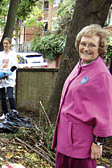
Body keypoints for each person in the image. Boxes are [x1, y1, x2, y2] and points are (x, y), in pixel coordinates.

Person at [51, 24, 112, 168]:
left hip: (81, 145)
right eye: (83, 43)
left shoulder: (101, 74)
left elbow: (106, 111)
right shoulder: (80, 65)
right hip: (65, 139)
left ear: (100, 48)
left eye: (92, 45)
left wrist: (98, 142)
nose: (86, 48)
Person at [0, 37, 18, 120]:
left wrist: (9, 73)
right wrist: (0, 73)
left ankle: (14, 112)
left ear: (10, 44)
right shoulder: (0, 54)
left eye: (7, 43)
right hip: (1, 78)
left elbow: (14, 66)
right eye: (4, 43)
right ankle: (5, 113)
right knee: (2, 97)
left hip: (9, 78)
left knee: (10, 96)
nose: (5, 45)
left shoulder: (12, 54)